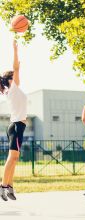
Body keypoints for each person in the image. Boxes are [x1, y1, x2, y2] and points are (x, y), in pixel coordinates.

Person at [0, 40, 27, 201]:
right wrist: (15, 50)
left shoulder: (11, 91)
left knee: (15, 158)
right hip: (16, 126)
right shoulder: (13, 88)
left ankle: (9, 185)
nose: (18, 76)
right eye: (16, 75)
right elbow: (16, 67)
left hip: (17, 126)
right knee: (12, 158)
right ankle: (3, 185)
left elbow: (15, 70)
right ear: (11, 78)